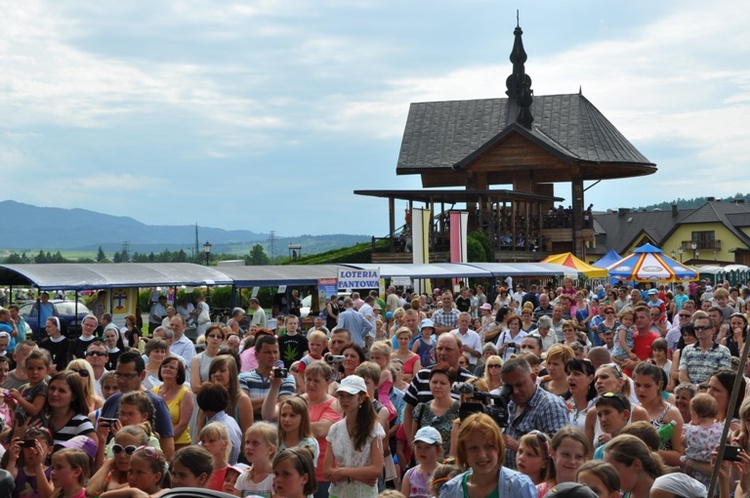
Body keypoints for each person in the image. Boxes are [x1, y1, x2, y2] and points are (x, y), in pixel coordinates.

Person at [437, 413, 537, 498]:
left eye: (489, 446)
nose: (482, 455)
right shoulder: (450, 491)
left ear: (498, 448)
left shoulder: (519, 486)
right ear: (464, 452)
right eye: (473, 448)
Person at [98, 350, 175, 460]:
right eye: (118, 375)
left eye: (128, 376)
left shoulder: (156, 403)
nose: (121, 380)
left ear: (142, 375)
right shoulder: (111, 401)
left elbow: (168, 450)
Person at [500, 356, 569, 470]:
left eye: (519, 385)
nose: (515, 391)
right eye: (509, 387)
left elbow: (561, 450)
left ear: (533, 378)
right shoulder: (511, 404)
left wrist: (519, 446)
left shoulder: (550, 405)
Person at [323, 375, 385, 498]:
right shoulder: (334, 429)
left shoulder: (374, 429)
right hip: (337, 493)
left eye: (350, 395)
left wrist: (342, 472)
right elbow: (326, 471)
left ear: (361, 398)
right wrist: (358, 476)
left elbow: (377, 470)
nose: (345, 400)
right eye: (341, 395)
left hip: (364, 494)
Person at [632, 362, 684, 466]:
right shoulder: (632, 409)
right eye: (637, 385)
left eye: (647, 386)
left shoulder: (671, 413)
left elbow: (681, 456)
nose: (641, 390)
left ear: (658, 385)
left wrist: (648, 452)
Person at [239, 334, 295, 421]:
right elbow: (242, 406)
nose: (272, 356)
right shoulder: (243, 377)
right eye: (268, 352)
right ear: (257, 355)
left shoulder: (287, 378)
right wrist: (275, 400)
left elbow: (284, 407)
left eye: (275, 352)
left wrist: (252, 404)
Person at [409, 363, 459, 456]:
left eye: (443, 383)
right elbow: (413, 441)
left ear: (451, 385)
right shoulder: (421, 408)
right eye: (434, 382)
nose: (438, 386)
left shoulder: (460, 410)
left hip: (449, 467)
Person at [679, 310, 732, 384]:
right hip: (690, 392)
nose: (699, 330)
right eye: (697, 328)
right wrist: (692, 390)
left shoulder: (723, 351)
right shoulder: (687, 350)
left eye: (703, 328)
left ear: (712, 330)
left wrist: (699, 389)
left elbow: (721, 377)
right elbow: (682, 375)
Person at [680, 393, 722, 486]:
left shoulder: (691, 430)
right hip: (714, 476)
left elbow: (683, 442)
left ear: (694, 414)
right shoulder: (722, 429)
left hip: (695, 476)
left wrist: (691, 425)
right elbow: (730, 437)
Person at [151, 356, 193, 449]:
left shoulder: (185, 393)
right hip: (155, 444)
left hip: (179, 444)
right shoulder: (153, 392)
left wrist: (167, 441)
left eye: (172, 367)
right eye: (165, 366)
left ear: (179, 373)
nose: (167, 369)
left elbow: (183, 423)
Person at [537, 427, 592, 496]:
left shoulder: (590, 494)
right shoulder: (537, 492)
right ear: (552, 452)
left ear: (585, 459)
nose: (572, 461)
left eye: (578, 457)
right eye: (566, 455)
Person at [4, 427, 54, 498]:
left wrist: (38, 465)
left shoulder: (53, 473)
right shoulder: (16, 472)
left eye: (37, 447)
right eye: (28, 446)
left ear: (50, 450)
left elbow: (48, 496)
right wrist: (12, 459)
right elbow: (3, 488)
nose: (31, 451)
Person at [235, 422, 276, 497]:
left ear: (270, 449)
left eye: (255, 443)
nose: (248, 447)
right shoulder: (242, 478)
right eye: (247, 442)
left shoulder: (275, 480)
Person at [401, 426, 442, 498]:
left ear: (438, 450)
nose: (422, 451)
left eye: (427, 447)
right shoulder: (409, 475)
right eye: (418, 447)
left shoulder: (444, 473)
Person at [190, 324, 223, 392]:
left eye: (219, 336)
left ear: (222, 340)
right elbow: (195, 387)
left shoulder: (225, 358)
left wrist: (205, 385)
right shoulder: (196, 359)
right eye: (212, 336)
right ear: (206, 338)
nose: (215, 338)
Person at [200, 422, 232, 491]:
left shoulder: (230, 473)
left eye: (211, 441)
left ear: (224, 444)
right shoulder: (198, 469)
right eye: (203, 441)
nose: (205, 444)